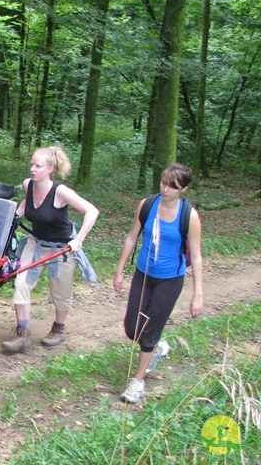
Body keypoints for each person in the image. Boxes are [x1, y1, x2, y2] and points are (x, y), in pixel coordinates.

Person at [113, 163, 204, 404]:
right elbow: (132, 237)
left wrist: (198, 294)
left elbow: (195, 256)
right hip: (143, 274)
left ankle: (138, 383)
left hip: (170, 280)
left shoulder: (189, 216)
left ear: (183, 189)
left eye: (172, 187)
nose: (165, 189)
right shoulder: (147, 204)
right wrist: (120, 270)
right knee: (133, 329)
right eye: (164, 183)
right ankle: (156, 347)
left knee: (149, 333)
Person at [2, 146, 99, 353]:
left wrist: (79, 239)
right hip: (35, 243)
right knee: (21, 282)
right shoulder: (29, 185)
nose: (32, 169)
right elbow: (25, 203)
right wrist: (14, 218)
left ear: (50, 169)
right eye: (31, 164)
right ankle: (22, 333)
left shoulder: (61, 191)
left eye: (38, 166)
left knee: (60, 291)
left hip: (62, 248)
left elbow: (92, 211)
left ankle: (58, 329)